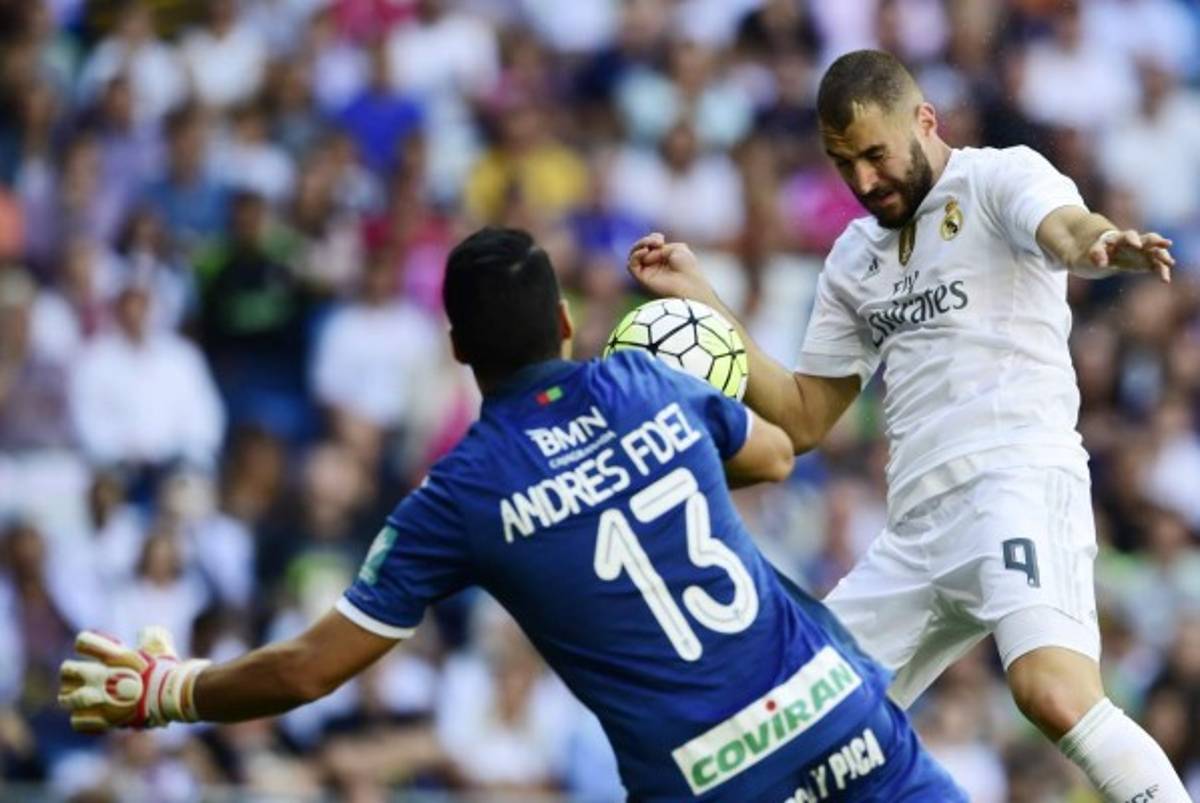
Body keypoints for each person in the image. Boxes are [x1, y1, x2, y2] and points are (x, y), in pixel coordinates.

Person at [58, 227, 966, 802]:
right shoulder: (646, 380)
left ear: (457, 348)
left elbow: (305, 671)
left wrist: (167, 689)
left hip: (711, 778)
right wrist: (703, 330)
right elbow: (775, 451)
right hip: (835, 708)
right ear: (567, 322)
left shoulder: (456, 494)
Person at [626, 49, 1190, 803]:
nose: (863, 182)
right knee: (795, 723)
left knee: (1050, 691)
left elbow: (1062, 227)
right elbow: (801, 418)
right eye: (841, 163)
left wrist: (1097, 244)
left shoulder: (996, 179)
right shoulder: (854, 258)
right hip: (916, 530)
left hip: (1013, 480)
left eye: (874, 154)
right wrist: (703, 298)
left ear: (924, 121)